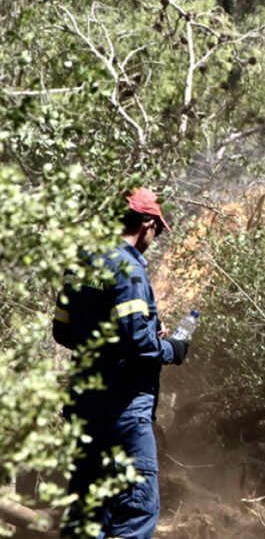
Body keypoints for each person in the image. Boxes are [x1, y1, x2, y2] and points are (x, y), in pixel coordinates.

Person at [53, 187, 190, 538]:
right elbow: (136, 342)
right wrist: (172, 348)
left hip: (85, 407)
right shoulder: (128, 269)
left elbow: (63, 332)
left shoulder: (81, 262)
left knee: (87, 510)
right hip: (124, 412)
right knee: (135, 510)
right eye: (157, 230)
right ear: (146, 224)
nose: (154, 238)